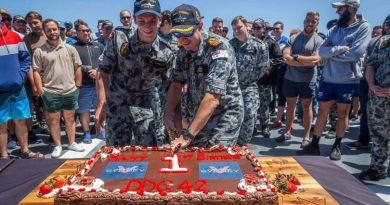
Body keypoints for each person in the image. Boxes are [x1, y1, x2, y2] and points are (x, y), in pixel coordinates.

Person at [297, 0, 371, 161]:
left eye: (340, 9)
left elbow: (355, 54)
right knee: (323, 111)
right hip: (329, 78)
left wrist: (331, 53)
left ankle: (336, 145)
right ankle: (314, 144)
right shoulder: (334, 28)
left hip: (348, 80)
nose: (337, 12)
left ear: (351, 8)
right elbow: (321, 52)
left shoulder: (364, 28)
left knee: (343, 113)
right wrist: (338, 49)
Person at [95, 0, 175, 147]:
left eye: (152, 20)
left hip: (145, 105)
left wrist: (168, 114)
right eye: (142, 20)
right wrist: (102, 102)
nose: (147, 25)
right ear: (134, 19)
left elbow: (171, 86)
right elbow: (103, 70)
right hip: (117, 103)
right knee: (115, 152)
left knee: (149, 151)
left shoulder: (166, 51)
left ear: (160, 21)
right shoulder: (119, 38)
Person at [165, 4, 244, 149]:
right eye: (177, 34)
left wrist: (187, 135)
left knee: (214, 162)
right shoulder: (182, 51)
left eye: (187, 32)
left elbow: (213, 98)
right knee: (194, 160)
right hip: (198, 115)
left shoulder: (218, 48)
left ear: (200, 26)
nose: (182, 39)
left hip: (224, 116)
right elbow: (176, 84)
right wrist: (168, 115)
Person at [32, 19, 85, 158]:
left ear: (59, 29)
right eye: (48, 30)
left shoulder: (70, 48)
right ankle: (58, 145)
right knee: (54, 120)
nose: (52, 32)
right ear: (44, 32)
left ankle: (72, 143)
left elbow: (78, 67)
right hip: (50, 91)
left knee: (70, 118)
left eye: (54, 29)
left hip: (70, 90)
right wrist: (41, 89)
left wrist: (78, 85)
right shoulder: (39, 51)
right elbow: (36, 71)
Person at [275, 12, 324, 148]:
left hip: (308, 80)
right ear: (304, 21)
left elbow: (315, 60)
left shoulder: (319, 41)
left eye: (313, 22)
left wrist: (296, 58)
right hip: (290, 78)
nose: (310, 23)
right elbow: (286, 57)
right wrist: (303, 60)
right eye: (308, 20)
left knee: (306, 107)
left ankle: (306, 136)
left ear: (317, 24)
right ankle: (286, 132)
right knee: (290, 106)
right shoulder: (294, 38)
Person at [0, 14, 43, 159]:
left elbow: (25, 59)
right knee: (1, 124)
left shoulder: (15, 37)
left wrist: (21, 76)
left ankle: (25, 150)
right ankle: (4, 155)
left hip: (18, 88)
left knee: (21, 120)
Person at [359, 14, 390, 181]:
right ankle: (378, 168)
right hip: (379, 98)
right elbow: (371, 65)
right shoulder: (382, 42)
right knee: (378, 134)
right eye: (388, 24)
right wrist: (371, 85)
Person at [230, 16, 269, 145]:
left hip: (250, 86)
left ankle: (242, 145)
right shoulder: (229, 45)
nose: (236, 31)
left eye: (239, 27)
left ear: (247, 26)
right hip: (232, 87)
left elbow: (263, 67)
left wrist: (249, 78)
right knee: (232, 117)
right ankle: (231, 144)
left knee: (250, 114)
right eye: (234, 29)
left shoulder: (259, 45)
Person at [347, 24, 386, 150]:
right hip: (369, 83)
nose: (375, 34)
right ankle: (364, 139)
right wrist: (371, 85)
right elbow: (369, 64)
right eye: (374, 33)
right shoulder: (374, 43)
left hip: (378, 85)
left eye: (377, 32)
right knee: (366, 112)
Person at [72, 19, 105, 143]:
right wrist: (87, 69)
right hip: (84, 85)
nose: (86, 33)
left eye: (88, 30)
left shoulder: (98, 46)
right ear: (77, 32)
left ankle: (101, 129)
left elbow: (105, 62)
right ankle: (86, 133)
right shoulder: (73, 47)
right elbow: (72, 65)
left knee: (100, 107)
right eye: (83, 31)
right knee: (84, 110)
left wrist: (98, 71)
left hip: (99, 83)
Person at [252, 18, 283, 137]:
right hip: (251, 80)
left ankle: (264, 126)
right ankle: (253, 126)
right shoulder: (250, 41)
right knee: (252, 106)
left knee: (264, 105)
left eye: (258, 28)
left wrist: (268, 69)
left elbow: (279, 58)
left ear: (264, 29)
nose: (256, 30)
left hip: (264, 80)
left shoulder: (271, 42)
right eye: (254, 28)